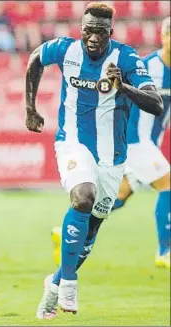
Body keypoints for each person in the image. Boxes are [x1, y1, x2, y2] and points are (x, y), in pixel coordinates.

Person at [24, 2, 163, 319]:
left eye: (100, 32)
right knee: (82, 197)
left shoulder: (126, 59)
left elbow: (155, 103)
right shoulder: (65, 49)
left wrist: (123, 87)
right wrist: (29, 108)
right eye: (88, 30)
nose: (92, 38)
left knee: (92, 225)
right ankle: (70, 283)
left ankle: (55, 282)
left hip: (112, 157)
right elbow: (35, 60)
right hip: (72, 143)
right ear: (81, 28)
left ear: (110, 33)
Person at [50, 16, 171, 270]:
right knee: (167, 183)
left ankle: (67, 234)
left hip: (149, 143)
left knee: (119, 195)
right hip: (134, 142)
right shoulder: (147, 66)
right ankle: (165, 251)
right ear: (162, 35)